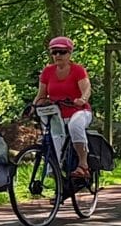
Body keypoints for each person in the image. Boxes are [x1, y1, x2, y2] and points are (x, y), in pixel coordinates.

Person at [33, 36, 93, 182]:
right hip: (57, 113)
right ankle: (57, 171)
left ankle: (83, 164)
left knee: (75, 125)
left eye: (62, 52)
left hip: (79, 111)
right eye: (54, 52)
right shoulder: (47, 72)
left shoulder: (78, 70)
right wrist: (33, 107)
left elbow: (87, 89)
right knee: (51, 135)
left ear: (69, 53)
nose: (57, 55)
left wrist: (82, 100)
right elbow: (41, 94)